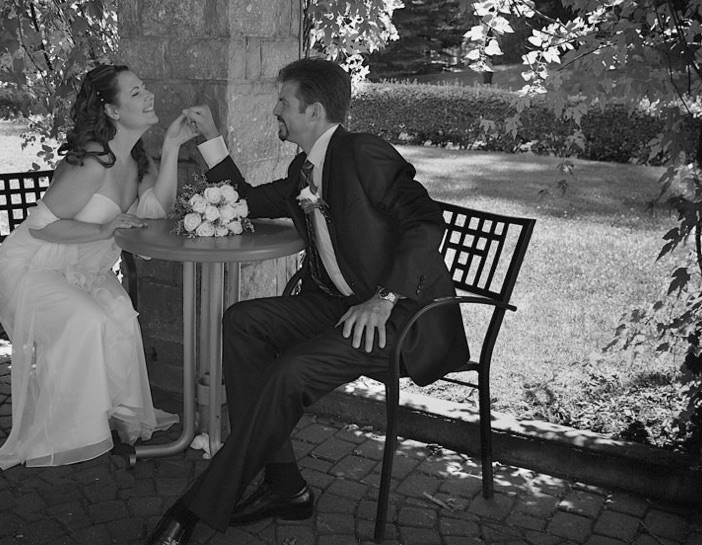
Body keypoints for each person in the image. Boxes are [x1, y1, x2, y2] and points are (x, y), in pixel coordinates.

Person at [145, 57, 468, 544]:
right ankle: (285, 486)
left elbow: (425, 223)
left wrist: (384, 297)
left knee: (291, 370)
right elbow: (246, 200)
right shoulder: (304, 169)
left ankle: (193, 510)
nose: (276, 109)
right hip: (339, 304)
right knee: (243, 321)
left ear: (314, 112)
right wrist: (211, 137)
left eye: (283, 103)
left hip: (400, 316)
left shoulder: (364, 153)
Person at [0, 64, 200, 470]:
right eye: (136, 92)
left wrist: (170, 147)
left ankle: (120, 417)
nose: (148, 94)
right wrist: (103, 227)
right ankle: (72, 433)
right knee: (88, 321)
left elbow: (154, 212)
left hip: (83, 271)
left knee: (121, 317)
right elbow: (43, 228)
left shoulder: (137, 158)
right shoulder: (92, 162)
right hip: (31, 268)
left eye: (144, 86)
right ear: (113, 111)